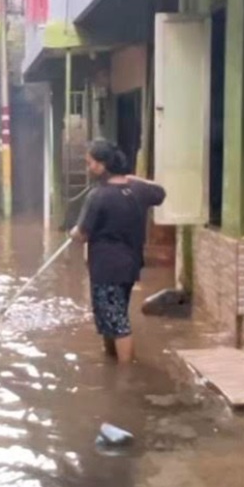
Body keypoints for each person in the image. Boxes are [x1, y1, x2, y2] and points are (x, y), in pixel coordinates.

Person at [70, 139, 166, 364]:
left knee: (117, 321)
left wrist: (73, 232)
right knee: (110, 316)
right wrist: (133, 178)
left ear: (102, 165)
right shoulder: (137, 189)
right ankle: (110, 362)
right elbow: (160, 193)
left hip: (106, 268)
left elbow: (81, 235)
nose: (88, 168)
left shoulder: (98, 196)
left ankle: (125, 375)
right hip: (130, 265)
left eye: (90, 163)